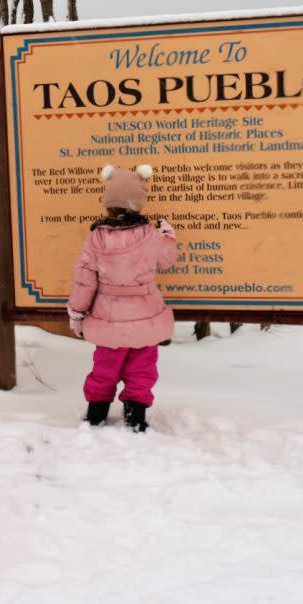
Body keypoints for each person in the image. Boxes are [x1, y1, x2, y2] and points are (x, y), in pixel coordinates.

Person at [67, 164, 179, 431]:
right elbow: (167, 261)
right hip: (146, 318)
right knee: (142, 369)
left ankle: (96, 414)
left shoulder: (96, 239)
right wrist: (167, 236)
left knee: (104, 369)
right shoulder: (151, 236)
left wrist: (77, 312)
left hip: (109, 319)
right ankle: (135, 416)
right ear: (138, 204)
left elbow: (84, 280)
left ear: (108, 204)